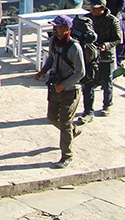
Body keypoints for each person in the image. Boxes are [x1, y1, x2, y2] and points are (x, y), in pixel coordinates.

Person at [35, 15, 85, 169]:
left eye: (58, 27)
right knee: (52, 116)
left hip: (70, 90)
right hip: (54, 87)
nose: (54, 29)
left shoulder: (74, 48)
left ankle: (67, 156)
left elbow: (81, 72)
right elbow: (51, 58)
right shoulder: (53, 42)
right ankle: (72, 131)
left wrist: (64, 85)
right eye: (54, 26)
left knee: (64, 122)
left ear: (67, 29)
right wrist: (43, 71)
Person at [82, 0, 123, 118]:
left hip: (106, 55)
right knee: (89, 81)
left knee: (107, 81)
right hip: (91, 55)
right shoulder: (88, 18)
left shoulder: (112, 20)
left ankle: (107, 105)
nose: (93, 10)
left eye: (95, 8)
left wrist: (107, 45)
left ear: (103, 8)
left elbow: (118, 39)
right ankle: (88, 109)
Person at [91, 0, 125, 66]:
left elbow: (122, 1)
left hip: (115, 15)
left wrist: (118, 12)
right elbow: (93, 1)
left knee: (118, 36)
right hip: (101, 16)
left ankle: (120, 58)